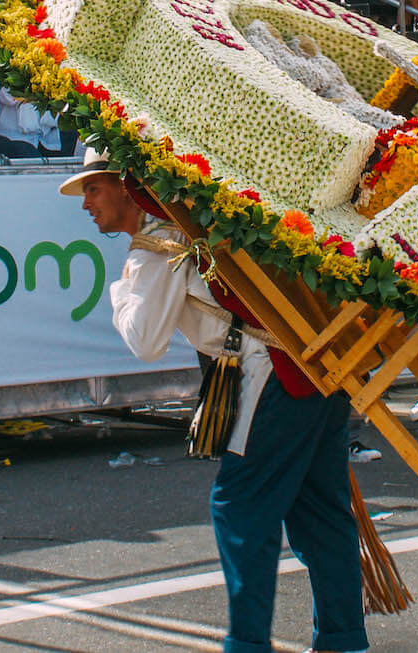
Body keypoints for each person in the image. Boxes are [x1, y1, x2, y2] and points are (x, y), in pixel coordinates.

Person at [63, 148, 366, 653]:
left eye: (92, 188)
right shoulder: (189, 223)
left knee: (239, 507)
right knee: (321, 511)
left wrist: (119, 292)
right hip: (317, 363)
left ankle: (248, 643)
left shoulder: (157, 244)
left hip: (273, 371)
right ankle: (343, 640)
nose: (86, 203)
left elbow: (145, 341)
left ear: (124, 186)